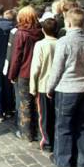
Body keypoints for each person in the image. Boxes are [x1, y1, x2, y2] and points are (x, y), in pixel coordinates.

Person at [46, 7, 84, 167]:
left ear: (67, 22)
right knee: (82, 126)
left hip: (67, 88)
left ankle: (64, 161)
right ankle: (83, 162)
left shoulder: (64, 42)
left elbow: (57, 68)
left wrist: (50, 87)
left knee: (64, 126)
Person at [8, 6, 43, 141]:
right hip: (38, 71)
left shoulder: (21, 33)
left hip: (24, 72)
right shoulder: (41, 31)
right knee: (36, 103)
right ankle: (37, 131)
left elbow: (16, 56)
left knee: (24, 103)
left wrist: (12, 75)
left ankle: (26, 133)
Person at [29, 17, 58, 152]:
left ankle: (46, 142)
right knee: (55, 115)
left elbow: (36, 68)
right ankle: (56, 139)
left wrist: (32, 87)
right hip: (58, 85)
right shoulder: (60, 43)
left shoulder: (40, 44)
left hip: (43, 85)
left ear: (43, 30)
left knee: (44, 116)